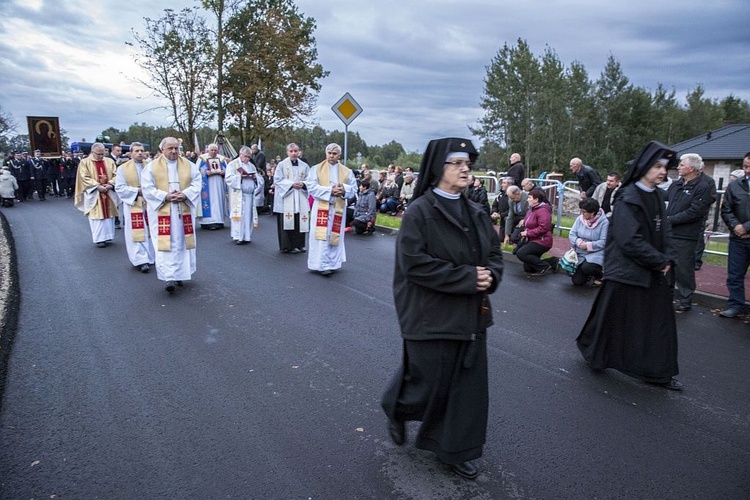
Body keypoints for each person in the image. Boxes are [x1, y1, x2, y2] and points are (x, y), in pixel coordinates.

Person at [381, 137, 503, 480]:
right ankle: (397, 408)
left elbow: (494, 256)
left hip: (471, 315)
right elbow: (415, 265)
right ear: (439, 168)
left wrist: (490, 277)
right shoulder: (420, 212)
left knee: (466, 387)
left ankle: (454, 449)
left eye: (468, 163)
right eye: (457, 163)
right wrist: (466, 277)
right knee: (428, 383)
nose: (465, 169)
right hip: (428, 314)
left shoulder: (476, 212)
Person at [576, 141, 682, 390]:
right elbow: (628, 239)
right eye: (657, 166)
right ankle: (594, 352)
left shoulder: (656, 195)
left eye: (664, 167)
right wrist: (659, 261)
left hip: (651, 271)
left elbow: (665, 230)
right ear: (645, 166)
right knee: (609, 319)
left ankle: (657, 372)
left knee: (658, 324)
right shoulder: (627, 197)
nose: (662, 172)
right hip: (626, 272)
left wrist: (669, 256)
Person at [141, 137, 202, 294]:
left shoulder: (188, 165)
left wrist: (185, 194)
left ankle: (181, 273)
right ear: (162, 150)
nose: (174, 151)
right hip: (162, 211)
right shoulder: (151, 167)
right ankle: (169, 276)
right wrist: (165, 196)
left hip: (183, 210)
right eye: (170, 148)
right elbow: (147, 188)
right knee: (165, 243)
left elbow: (197, 182)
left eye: (176, 148)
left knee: (182, 242)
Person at [666, 153, 717, 312]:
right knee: (668, 267)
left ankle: (685, 299)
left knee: (684, 269)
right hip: (670, 233)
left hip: (686, 235)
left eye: (682, 164)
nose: (678, 167)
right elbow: (666, 198)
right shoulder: (677, 184)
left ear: (692, 168)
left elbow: (695, 212)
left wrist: (670, 219)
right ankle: (666, 297)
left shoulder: (704, 186)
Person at [306, 143, 357, 276]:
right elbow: (311, 187)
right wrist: (330, 191)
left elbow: (354, 189)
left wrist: (344, 189)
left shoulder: (347, 171)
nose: (331, 155)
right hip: (321, 207)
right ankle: (320, 264)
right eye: (329, 153)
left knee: (334, 236)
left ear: (339, 155)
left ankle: (333, 263)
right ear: (326, 153)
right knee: (322, 236)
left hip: (337, 208)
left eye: (334, 153)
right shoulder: (316, 169)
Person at [718, 151, 750, 318]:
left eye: (749, 166)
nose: (747, 170)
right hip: (738, 239)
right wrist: (736, 227)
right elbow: (726, 209)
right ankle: (736, 305)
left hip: (743, 232)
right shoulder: (735, 185)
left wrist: (746, 227)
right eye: (745, 166)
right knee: (735, 274)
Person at [114, 142, 155, 272]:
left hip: (149, 204)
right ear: (130, 153)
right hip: (133, 203)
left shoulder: (150, 167)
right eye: (136, 151)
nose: (139, 153)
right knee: (136, 231)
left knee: (150, 230)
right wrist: (137, 191)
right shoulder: (122, 168)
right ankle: (140, 259)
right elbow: (119, 187)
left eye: (142, 150)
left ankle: (151, 256)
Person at [74, 143, 119, 247]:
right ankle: (99, 239)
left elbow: (116, 174)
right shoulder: (84, 162)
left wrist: (110, 184)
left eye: (102, 154)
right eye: (98, 154)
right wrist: (98, 186)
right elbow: (84, 177)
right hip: (94, 193)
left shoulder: (110, 161)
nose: (100, 156)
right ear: (92, 152)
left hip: (108, 191)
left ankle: (108, 236)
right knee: (97, 216)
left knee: (109, 215)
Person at [273, 143, 311, 253]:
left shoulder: (304, 165)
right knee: (288, 220)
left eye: (295, 151)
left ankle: (299, 244)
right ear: (287, 152)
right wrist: (291, 184)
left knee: (300, 220)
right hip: (287, 197)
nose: (294, 153)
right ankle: (287, 246)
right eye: (291, 151)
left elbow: (310, 180)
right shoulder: (281, 165)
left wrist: (303, 184)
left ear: (299, 152)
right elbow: (278, 180)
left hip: (299, 197)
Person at [225, 145, 264, 244]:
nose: (247, 159)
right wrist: (240, 177)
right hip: (239, 194)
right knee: (240, 215)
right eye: (245, 156)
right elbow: (228, 178)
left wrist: (255, 177)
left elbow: (259, 179)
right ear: (240, 154)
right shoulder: (233, 164)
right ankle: (238, 236)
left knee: (248, 216)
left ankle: (247, 236)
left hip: (249, 195)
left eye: (249, 157)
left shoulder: (251, 165)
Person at [515, 189, 558, 275]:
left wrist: (527, 233)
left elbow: (543, 228)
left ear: (536, 200)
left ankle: (544, 266)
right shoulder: (531, 210)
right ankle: (552, 261)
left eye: (529, 197)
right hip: (533, 239)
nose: (527, 199)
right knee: (528, 268)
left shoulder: (543, 211)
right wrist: (524, 222)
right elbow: (531, 222)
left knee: (521, 253)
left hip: (542, 241)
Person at [568, 198, 609, 286]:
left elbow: (603, 242)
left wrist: (588, 245)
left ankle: (600, 276)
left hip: (596, 252)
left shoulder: (604, 223)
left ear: (592, 213)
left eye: (584, 212)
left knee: (588, 267)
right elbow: (572, 234)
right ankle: (586, 274)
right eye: (581, 211)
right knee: (577, 282)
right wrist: (578, 242)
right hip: (580, 251)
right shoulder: (580, 219)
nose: (582, 214)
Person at [195, 143, 227, 230]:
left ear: (218, 151)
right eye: (212, 150)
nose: (213, 152)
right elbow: (196, 172)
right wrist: (205, 173)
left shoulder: (221, 159)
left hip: (218, 183)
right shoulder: (202, 159)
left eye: (215, 150)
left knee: (218, 200)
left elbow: (227, 171)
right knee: (208, 201)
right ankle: (206, 222)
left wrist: (224, 172)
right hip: (206, 184)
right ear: (208, 150)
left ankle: (218, 220)